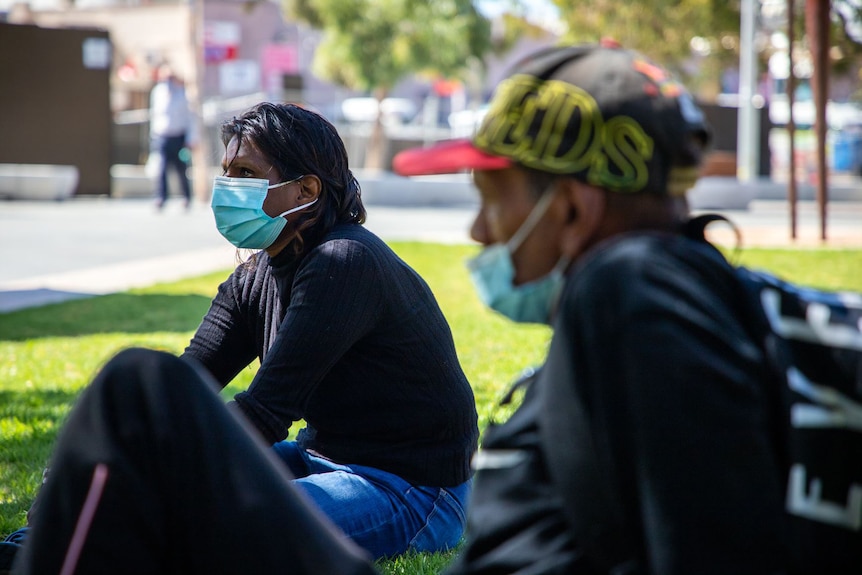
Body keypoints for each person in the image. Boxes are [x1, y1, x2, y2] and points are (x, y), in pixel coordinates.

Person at [393, 43, 860, 573]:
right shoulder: (676, 332)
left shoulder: (630, 296)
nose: (478, 230)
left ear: (573, 210)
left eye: (490, 199)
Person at [7, 102, 478, 571]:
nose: (227, 186)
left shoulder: (345, 263)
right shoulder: (255, 274)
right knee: (152, 489)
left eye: (246, 172)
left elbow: (265, 413)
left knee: (207, 526)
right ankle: (29, 548)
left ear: (305, 190)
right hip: (318, 459)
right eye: (226, 170)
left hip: (410, 487)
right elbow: (185, 385)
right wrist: (84, 473)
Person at [148, 64, 194, 210]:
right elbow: (155, 115)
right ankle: (161, 197)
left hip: (178, 136)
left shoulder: (182, 94)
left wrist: (190, 138)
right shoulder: (158, 92)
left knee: (181, 168)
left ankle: (186, 197)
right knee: (161, 168)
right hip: (162, 135)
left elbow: (188, 118)